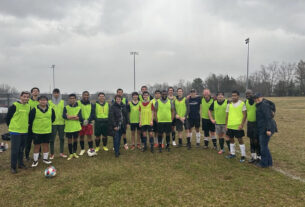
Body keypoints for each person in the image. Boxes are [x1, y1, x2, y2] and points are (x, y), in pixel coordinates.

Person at [6, 91, 31, 174]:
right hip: (15, 131)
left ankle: (20, 164)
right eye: (24, 96)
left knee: (21, 149)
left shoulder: (28, 106)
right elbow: (8, 117)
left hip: (24, 131)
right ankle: (13, 167)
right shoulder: (14, 106)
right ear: (20, 97)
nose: (26, 98)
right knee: (15, 150)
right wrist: (12, 126)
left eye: (27, 97)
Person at [29, 96, 55, 167]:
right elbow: (30, 120)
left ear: (47, 101)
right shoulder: (34, 110)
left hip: (47, 131)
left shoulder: (51, 109)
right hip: (37, 131)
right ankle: (35, 160)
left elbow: (53, 118)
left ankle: (45, 159)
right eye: (41, 100)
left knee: (46, 145)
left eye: (45, 100)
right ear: (38, 101)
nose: (43, 101)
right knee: (37, 146)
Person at [254, 93, 277, 168]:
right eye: (255, 98)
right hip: (262, 127)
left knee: (263, 146)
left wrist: (268, 129)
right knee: (264, 146)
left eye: (258, 98)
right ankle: (269, 162)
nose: (256, 99)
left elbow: (268, 117)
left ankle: (264, 163)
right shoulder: (260, 105)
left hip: (266, 128)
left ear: (262, 97)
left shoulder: (264, 105)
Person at [225, 90, 247, 163]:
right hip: (230, 126)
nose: (233, 97)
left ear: (238, 96)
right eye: (232, 95)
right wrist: (226, 125)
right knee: (231, 140)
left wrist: (242, 125)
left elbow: (244, 115)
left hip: (238, 126)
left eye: (235, 95)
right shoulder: (229, 104)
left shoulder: (242, 104)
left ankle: (243, 155)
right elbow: (227, 116)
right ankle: (232, 153)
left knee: (240, 140)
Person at [63, 94, 83, 160]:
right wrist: (74, 116)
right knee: (69, 140)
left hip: (76, 127)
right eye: (70, 98)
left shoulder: (79, 108)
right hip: (68, 127)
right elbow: (64, 116)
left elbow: (79, 117)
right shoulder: (66, 107)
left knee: (75, 140)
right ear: (68, 99)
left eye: (73, 98)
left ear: (75, 99)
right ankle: (70, 153)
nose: (72, 99)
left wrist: (70, 116)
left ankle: (74, 152)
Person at [48, 88, 67, 159]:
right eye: (54, 93)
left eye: (57, 93)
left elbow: (66, 112)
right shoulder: (49, 102)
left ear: (59, 94)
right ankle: (52, 154)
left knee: (62, 138)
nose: (56, 94)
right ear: (52, 94)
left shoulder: (63, 102)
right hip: (53, 124)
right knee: (52, 139)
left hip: (62, 123)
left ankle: (61, 153)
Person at [77, 91, 95, 156]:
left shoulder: (91, 104)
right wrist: (82, 120)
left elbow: (92, 113)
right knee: (81, 136)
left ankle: (91, 150)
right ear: (82, 95)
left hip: (88, 122)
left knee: (89, 136)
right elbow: (77, 112)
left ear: (89, 96)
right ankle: (82, 149)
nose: (86, 96)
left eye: (87, 95)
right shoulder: (78, 103)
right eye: (85, 95)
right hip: (81, 122)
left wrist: (88, 120)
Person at [25, 87, 40, 161]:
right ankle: (27, 155)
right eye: (34, 91)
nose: (35, 92)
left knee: (37, 140)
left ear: (38, 92)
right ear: (32, 93)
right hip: (30, 124)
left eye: (37, 91)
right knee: (28, 141)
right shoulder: (28, 101)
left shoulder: (40, 101)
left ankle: (38, 154)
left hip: (38, 125)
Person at [245, 90, 260, 163]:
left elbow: (268, 103)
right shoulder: (246, 102)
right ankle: (253, 157)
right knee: (251, 141)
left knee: (256, 141)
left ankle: (259, 157)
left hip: (256, 124)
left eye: (249, 94)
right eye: (246, 94)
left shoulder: (256, 101)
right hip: (249, 124)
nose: (248, 95)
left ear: (253, 94)